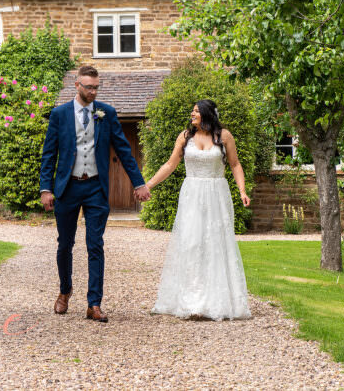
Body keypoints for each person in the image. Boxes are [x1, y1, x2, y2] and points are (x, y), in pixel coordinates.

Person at [39, 65, 151, 323]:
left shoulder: (106, 113)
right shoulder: (59, 114)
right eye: (88, 87)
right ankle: (65, 291)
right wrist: (46, 188)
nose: (93, 91)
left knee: (95, 245)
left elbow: (124, 150)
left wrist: (139, 183)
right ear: (76, 86)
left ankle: (94, 303)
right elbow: (49, 155)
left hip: (96, 188)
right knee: (65, 244)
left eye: (96, 87)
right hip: (68, 187)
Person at [146, 99, 252, 320]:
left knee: (215, 244)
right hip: (192, 194)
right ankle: (192, 301)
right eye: (192, 110)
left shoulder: (224, 137)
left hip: (216, 194)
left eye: (196, 111)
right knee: (192, 243)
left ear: (206, 114)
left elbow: (234, 164)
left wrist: (242, 190)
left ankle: (216, 301)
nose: (192, 114)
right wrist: (148, 185)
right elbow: (170, 164)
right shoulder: (185, 137)